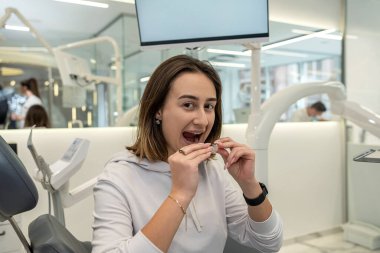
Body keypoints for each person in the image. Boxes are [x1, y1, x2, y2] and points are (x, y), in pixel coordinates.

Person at [92, 55, 283, 253]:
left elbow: (269, 243)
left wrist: (250, 185)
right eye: (188, 105)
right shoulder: (118, 177)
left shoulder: (212, 169)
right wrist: (180, 194)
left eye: (209, 106)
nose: (202, 120)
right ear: (158, 110)